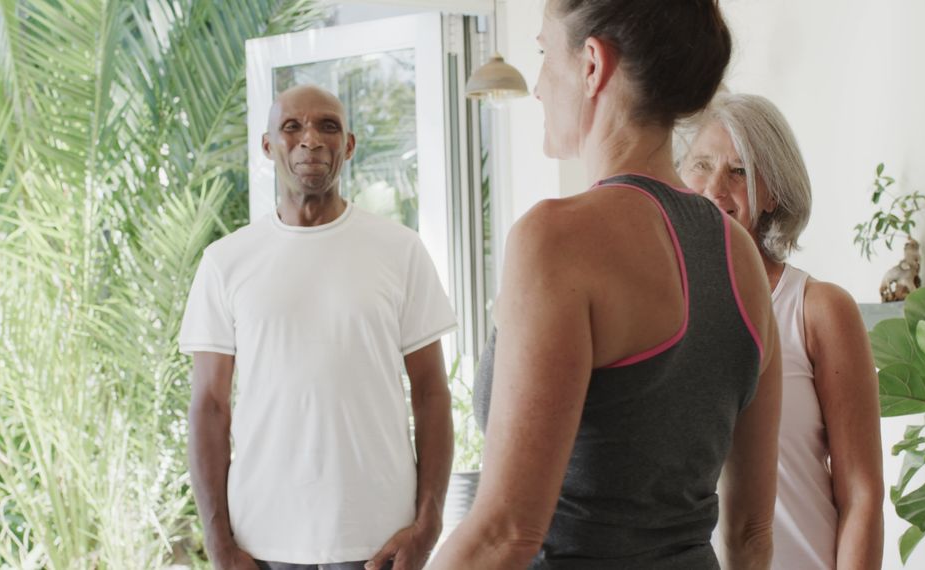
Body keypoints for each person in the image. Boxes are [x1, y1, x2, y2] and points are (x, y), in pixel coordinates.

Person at [432, 1, 783, 569]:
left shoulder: (556, 239)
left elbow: (505, 533)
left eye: (545, 53)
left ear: (592, 65)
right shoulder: (739, 253)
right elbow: (751, 532)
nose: (539, 87)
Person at [179, 85, 457, 570]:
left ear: (348, 145)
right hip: (261, 545)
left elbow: (431, 392)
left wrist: (427, 528)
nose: (311, 139)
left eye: (328, 125)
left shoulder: (400, 250)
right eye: (291, 127)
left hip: (379, 543)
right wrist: (219, 545)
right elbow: (209, 406)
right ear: (268, 146)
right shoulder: (226, 262)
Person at [680, 92, 884, 570]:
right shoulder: (659, 310)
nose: (714, 187)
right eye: (700, 164)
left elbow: (862, 493)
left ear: (772, 193)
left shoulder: (818, 309)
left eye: (739, 171)